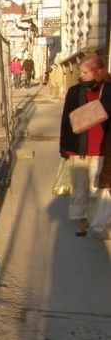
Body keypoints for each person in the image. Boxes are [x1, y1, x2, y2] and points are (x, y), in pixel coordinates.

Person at [59, 54, 111, 236]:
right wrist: (63, 146)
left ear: (97, 71)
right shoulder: (75, 91)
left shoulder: (108, 90)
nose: (81, 75)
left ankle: (95, 220)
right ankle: (81, 223)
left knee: (97, 188)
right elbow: (66, 120)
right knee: (79, 189)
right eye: (80, 71)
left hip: (101, 148)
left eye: (85, 72)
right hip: (77, 149)